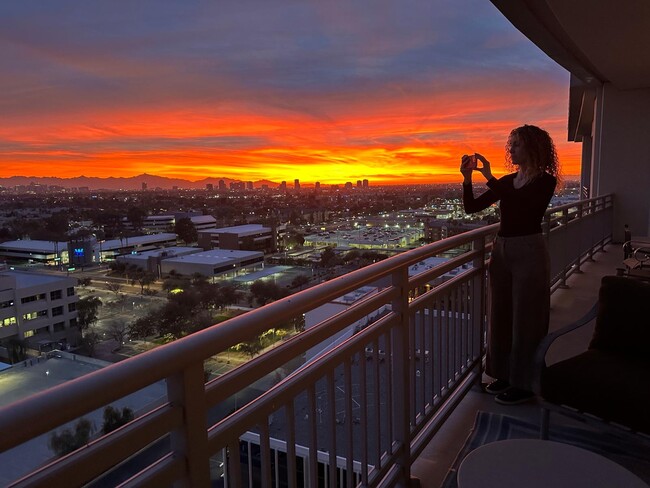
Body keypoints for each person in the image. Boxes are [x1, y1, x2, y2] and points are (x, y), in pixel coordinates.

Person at [460, 124, 560, 405]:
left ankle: (525, 383)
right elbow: (472, 208)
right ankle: (503, 374)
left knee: (527, 317)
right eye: (511, 144)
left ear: (532, 147)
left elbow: (526, 205)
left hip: (529, 250)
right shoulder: (508, 180)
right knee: (500, 314)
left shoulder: (545, 182)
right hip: (502, 250)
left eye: (516, 144)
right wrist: (467, 179)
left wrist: (490, 178)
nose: (511, 149)